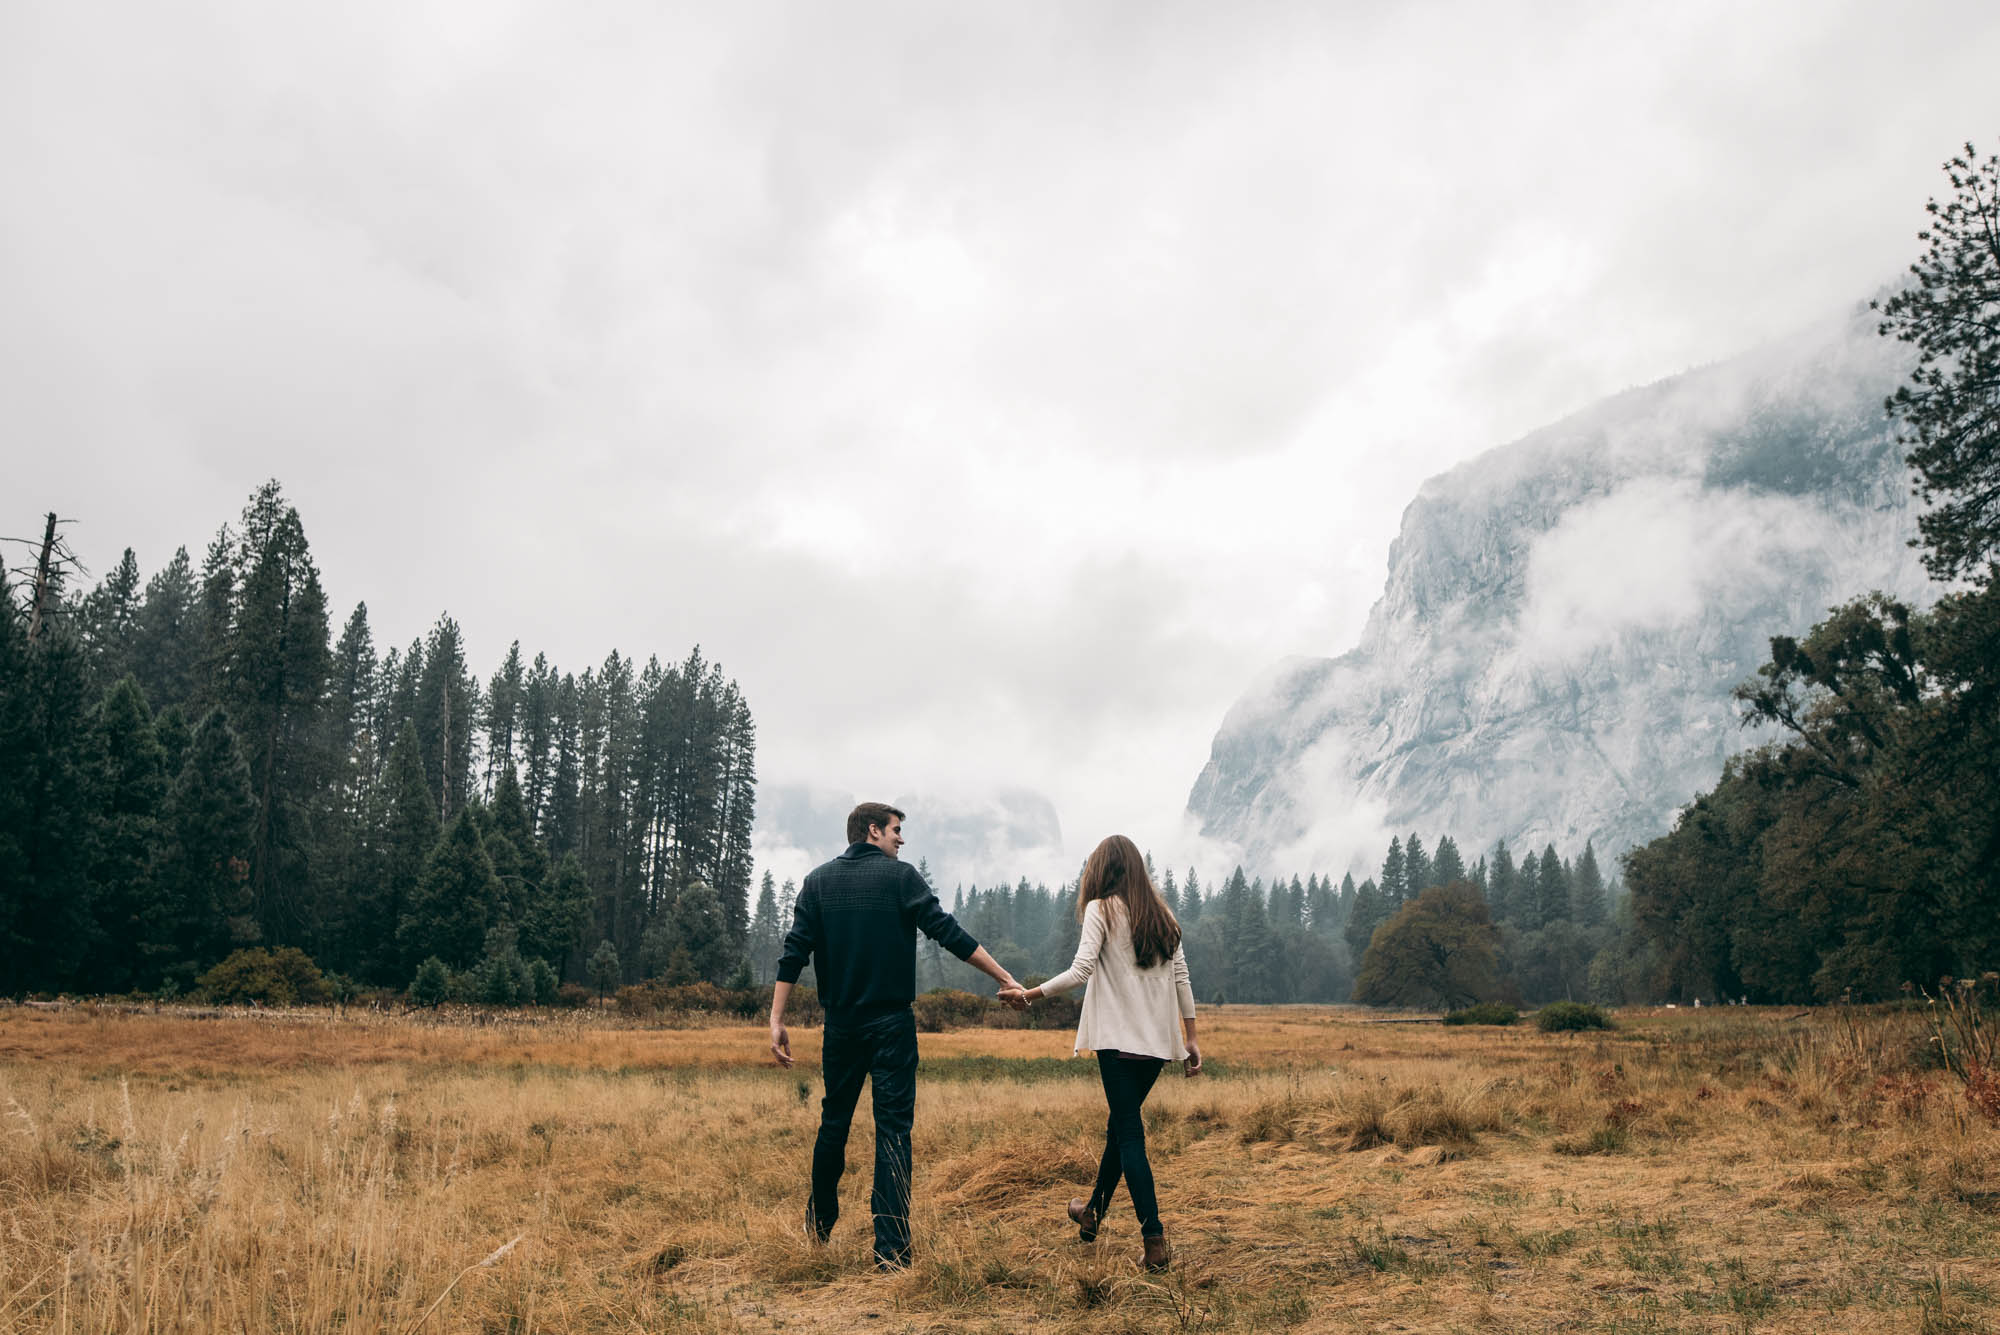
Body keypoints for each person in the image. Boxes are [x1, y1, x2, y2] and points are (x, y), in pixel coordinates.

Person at [770, 801, 1025, 1271]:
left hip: (841, 1026)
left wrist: (776, 1018)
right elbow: (948, 933)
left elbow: (794, 953)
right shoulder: (900, 877)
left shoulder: (818, 883)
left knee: (834, 1124)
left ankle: (819, 1226)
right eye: (896, 831)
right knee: (893, 1133)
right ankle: (891, 1250)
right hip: (891, 1025)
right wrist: (1002, 975)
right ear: (872, 830)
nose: (901, 840)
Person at [1003, 834, 1200, 1272]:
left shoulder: (1101, 909)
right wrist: (1191, 1037)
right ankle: (1092, 1213)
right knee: (1120, 1127)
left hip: (1117, 1046)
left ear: (1101, 870)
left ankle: (1154, 1241)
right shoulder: (1162, 915)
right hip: (1156, 1049)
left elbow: (1081, 969)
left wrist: (1029, 994)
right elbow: (1182, 977)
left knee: (1130, 1136)